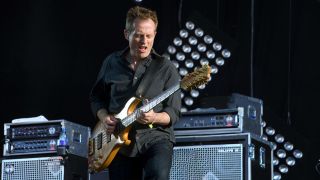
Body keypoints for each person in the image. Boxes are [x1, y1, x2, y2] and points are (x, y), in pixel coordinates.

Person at [89, 6, 181, 180]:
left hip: (155, 137)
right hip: (117, 141)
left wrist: (154, 117)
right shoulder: (111, 63)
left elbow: (174, 112)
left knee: (158, 175)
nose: (144, 41)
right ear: (126, 34)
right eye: (138, 35)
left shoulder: (165, 68)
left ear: (154, 34)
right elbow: (96, 97)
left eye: (149, 36)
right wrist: (104, 117)